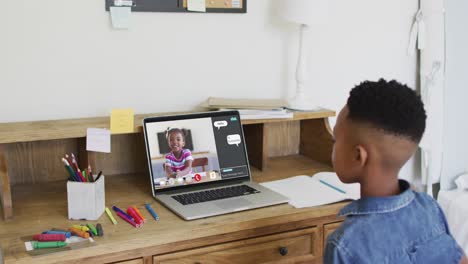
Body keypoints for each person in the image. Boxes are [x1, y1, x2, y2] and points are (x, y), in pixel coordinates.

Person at [324, 79, 468, 264]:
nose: (333, 146)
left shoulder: (344, 244)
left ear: (358, 156)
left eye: (335, 139)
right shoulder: (428, 206)